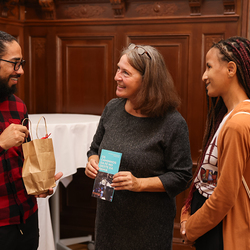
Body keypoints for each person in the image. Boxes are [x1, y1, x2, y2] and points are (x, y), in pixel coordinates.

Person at [85, 43, 193, 250]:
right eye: (118, 69)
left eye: (125, 72)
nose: (117, 76)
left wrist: (139, 184)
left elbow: (182, 176)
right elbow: (95, 148)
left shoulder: (172, 122)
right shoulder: (112, 108)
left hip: (148, 223)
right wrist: (92, 161)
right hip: (109, 218)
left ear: (148, 80)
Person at [180, 37, 250, 250]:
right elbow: (209, 174)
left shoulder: (238, 123)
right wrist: (187, 212)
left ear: (231, 69)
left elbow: (225, 195)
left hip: (221, 231)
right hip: (210, 225)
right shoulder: (229, 117)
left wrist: (191, 227)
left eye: (209, 67)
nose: (204, 76)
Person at [0, 31, 63, 250]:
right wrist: (0, 144)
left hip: (26, 218)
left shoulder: (18, 106)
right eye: (15, 64)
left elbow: (23, 160)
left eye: (22, 63)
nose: (21, 71)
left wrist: (38, 184)